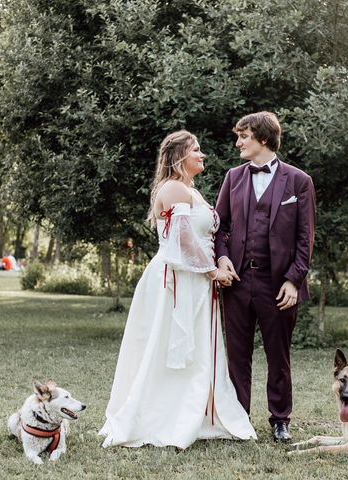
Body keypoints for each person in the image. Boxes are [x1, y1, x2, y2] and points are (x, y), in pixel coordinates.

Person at [99, 130, 257, 449]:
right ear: (178, 156)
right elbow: (181, 239)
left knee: (198, 347)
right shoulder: (172, 188)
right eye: (196, 150)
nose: (202, 155)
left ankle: (195, 411)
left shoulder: (190, 190)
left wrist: (218, 265)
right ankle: (163, 416)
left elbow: (205, 239)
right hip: (175, 282)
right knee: (167, 347)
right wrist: (212, 270)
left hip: (197, 279)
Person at [214, 112, 315, 442]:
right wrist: (223, 258)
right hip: (238, 283)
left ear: (263, 139)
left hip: (279, 286)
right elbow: (220, 228)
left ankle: (280, 419)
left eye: (243, 136)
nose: (238, 142)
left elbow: (305, 237)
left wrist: (294, 279)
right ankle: (239, 416)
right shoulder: (233, 177)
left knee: (278, 354)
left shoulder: (299, 181)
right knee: (237, 356)